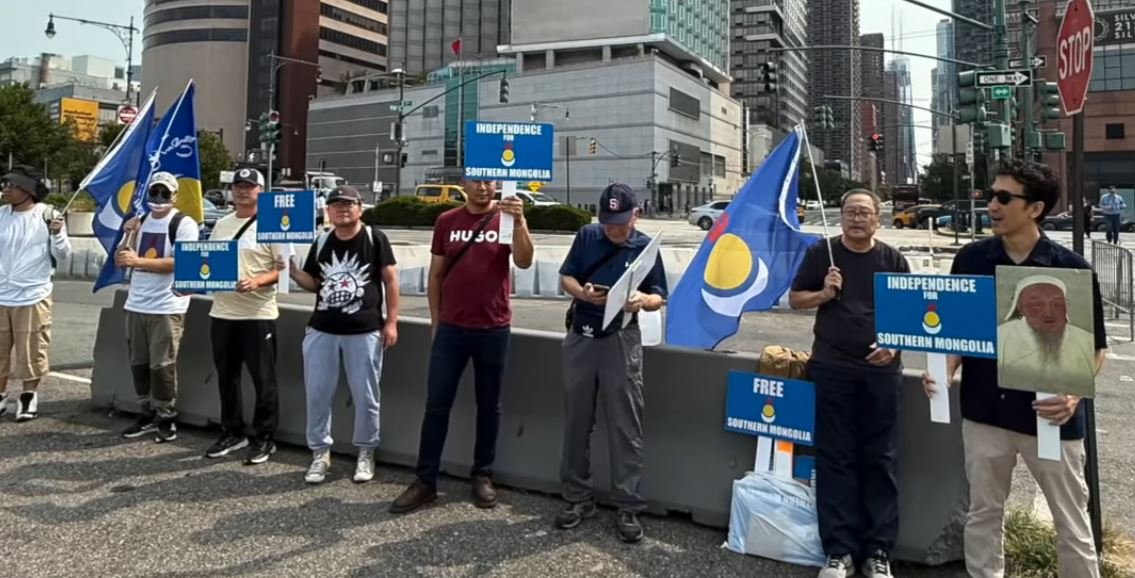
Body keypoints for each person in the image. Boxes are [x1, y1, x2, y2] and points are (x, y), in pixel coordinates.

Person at [924, 160, 1106, 578]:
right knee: (983, 513)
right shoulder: (970, 259)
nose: (992, 204)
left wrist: (1074, 394)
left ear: (1035, 208)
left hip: (1051, 417)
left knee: (1071, 522)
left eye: (1004, 198)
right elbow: (955, 333)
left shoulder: (1071, 268)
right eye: (991, 195)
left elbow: (1096, 347)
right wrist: (945, 369)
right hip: (985, 411)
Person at [389, 179, 534, 514]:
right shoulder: (447, 221)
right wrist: (436, 321)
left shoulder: (506, 219)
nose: (483, 188)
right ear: (464, 184)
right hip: (452, 329)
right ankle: (425, 480)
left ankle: (482, 474)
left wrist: (521, 222)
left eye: (489, 182)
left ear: (497, 184)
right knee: (436, 406)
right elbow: (436, 275)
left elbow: (525, 261)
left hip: (494, 327)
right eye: (476, 181)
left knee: (489, 406)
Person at [789, 189, 911, 578]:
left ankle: (878, 550)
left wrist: (893, 345)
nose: (856, 218)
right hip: (831, 367)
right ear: (840, 216)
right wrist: (824, 293)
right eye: (849, 212)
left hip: (881, 372)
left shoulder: (892, 259)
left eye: (864, 212)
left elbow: (910, 315)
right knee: (834, 458)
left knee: (881, 459)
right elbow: (795, 300)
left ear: (878, 218)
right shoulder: (821, 254)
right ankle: (839, 550)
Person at [554, 184, 668, 543]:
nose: (613, 230)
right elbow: (566, 277)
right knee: (577, 421)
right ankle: (576, 497)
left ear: (636, 214)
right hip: (583, 335)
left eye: (620, 223)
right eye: (608, 223)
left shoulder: (646, 248)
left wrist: (642, 300)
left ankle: (628, 504)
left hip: (621, 337)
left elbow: (659, 296)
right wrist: (582, 293)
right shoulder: (587, 236)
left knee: (625, 424)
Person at [284, 185, 399, 484]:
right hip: (322, 329)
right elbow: (315, 283)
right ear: (328, 210)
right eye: (336, 205)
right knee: (318, 393)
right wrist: (294, 272)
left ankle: (365, 452)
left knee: (366, 396)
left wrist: (392, 322)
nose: (342, 209)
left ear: (360, 208)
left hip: (365, 331)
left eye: (349, 204)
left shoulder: (375, 238)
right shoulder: (322, 241)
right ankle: (320, 453)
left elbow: (390, 280)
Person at [204, 167, 286, 465]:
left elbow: (283, 270)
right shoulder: (222, 224)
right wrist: (190, 285)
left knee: (264, 380)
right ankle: (232, 431)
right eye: (238, 186)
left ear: (261, 191)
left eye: (249, 186)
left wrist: (258, 281)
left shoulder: (272, 225)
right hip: (222, 312)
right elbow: (208, 264)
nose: (242, 191)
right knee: (227, 378)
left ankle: (265, 438)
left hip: (257, 313)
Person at [116, 172, 200, 442]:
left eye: (165, 193)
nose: (160, 198)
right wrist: (128, 236)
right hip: (137, 302)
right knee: (138, 362)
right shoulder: (139, 222)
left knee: (162, 365)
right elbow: (122, 258)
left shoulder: (183, 224)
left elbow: (182, 262)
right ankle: (146, 410)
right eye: (155, 193)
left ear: (174, 195)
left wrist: (138, 261)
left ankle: (165, 415)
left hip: (167, 304)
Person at [0, 166, 70, 422]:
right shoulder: (1, 215)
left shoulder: (48, 215)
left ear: (29, 191)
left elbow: (63, 255)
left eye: (13, 185)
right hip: (1, 294)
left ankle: (28, 396)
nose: (7, 189)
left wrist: (57, 234)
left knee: (31, 350)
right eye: (5, 184)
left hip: (31, 294)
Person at [997, 275, 1096, 397]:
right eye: (1037, 304)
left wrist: (1074, 396)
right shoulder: (1001, 336)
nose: (1048, 312)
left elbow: (1099, 352)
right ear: (1020, 307)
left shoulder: (1084, 340)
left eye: (1057, 304)